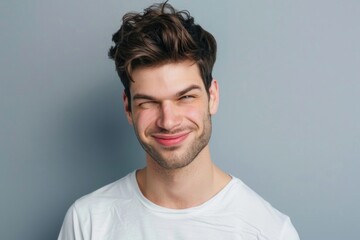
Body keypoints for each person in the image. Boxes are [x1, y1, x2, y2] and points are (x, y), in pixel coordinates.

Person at [58, 2, 300, 240]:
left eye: (185, 97)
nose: (168, 121)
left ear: (212, 97)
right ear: (128, 108)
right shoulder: (88, 222)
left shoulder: (270, 231)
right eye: (148, 102)